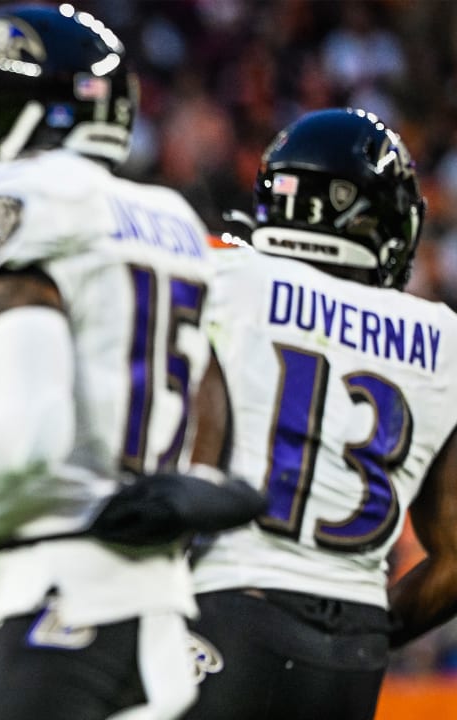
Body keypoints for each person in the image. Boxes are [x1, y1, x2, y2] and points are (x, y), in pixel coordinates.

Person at [0, 5, 261, 719]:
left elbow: (27, 436)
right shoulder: (174, 220)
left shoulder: (16, 199)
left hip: (64, 595)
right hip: (162, 617)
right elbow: (213, 415)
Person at [184, 108, 457, 720]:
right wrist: (355, 633)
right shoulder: (444, 336)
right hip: (351, 649)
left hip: (230, 605)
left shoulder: (228, 275)